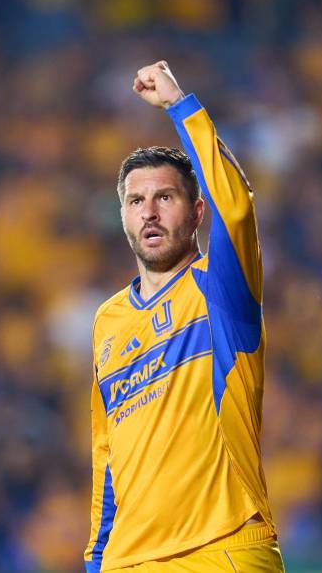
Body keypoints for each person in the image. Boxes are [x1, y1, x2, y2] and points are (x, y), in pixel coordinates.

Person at [84, 62, 284, 572]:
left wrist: (180, 107)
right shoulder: (108, 320)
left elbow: (236, 210)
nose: (149, 212)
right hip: (128, 561)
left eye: (165, 197)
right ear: (124, 216)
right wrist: (97, 560)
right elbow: (107, 453)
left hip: (219, 546)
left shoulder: (219, 288)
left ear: (196, 212)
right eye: (136, 201)